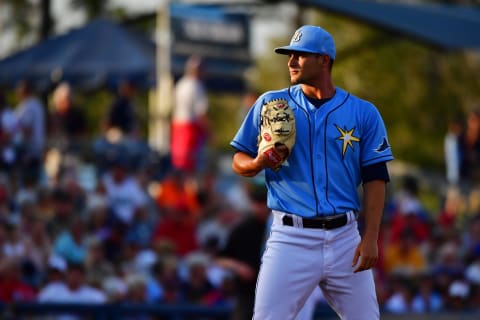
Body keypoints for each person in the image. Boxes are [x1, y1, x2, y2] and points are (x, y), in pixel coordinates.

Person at [230, 25, 394, 319]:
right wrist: (257, 163)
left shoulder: (363, 112)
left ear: (324, 60)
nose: (291, 61)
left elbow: (375, 177)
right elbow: (238, 158)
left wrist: (370, 237)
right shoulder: (272, 103)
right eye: (289, 55)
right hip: (290, 238)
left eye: (299, 55)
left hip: (346, 238)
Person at [170, 55, 210, 174]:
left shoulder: (180, 84)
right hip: (190, 130)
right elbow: (201, 114)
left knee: (179, 164)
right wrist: (210, 133)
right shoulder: (197, 86)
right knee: (191, 166)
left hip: (178, 127)